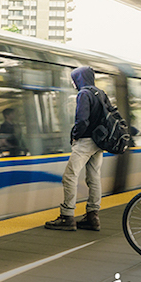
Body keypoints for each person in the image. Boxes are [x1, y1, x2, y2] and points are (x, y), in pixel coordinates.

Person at [45, 66, 106, 231]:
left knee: (69, 176)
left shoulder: (84, 94)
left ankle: (67, 216)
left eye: (74, 79)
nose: (73, 83)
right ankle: (93, 216)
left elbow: (82, 120)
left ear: (80, 78)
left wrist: (75, 135)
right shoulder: (100, 93)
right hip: (98, 142)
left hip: (85, 141)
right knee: (94, 177)